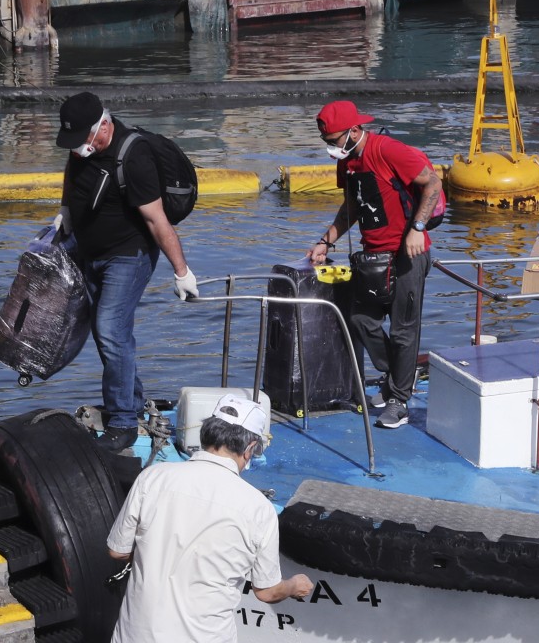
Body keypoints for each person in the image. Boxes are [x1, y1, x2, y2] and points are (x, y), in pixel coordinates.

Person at [54, 92, 198, 452]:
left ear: (103, 125)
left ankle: (122, 423)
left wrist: (181, 272)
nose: (76, 149)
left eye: (81, 141)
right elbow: (73, 175)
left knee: (110, 331)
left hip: (128, 256)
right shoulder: (81, 149)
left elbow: (156, 219)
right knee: (111, 336)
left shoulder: (134, 157)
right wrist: (65, 213)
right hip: (89, 253)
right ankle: (130, 404)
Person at [106, 394, 313, 642]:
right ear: (249, 450)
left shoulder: (152, 477)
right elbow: (267, 592)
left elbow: (117, 551)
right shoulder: (259, 508)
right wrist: (294, 585)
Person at [306, 101, 442, 429]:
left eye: (334, 140)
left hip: (408, 252)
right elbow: (352, 205)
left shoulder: (388, 150)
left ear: (354, 131)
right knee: (359, 318)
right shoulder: (349, 161)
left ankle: (398, 399)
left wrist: (416, 229)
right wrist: (326, 241)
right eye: (327, 141)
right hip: (373, 255)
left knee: (403, 328)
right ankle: (395, 376)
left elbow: (433, 185)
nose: (331, 147)